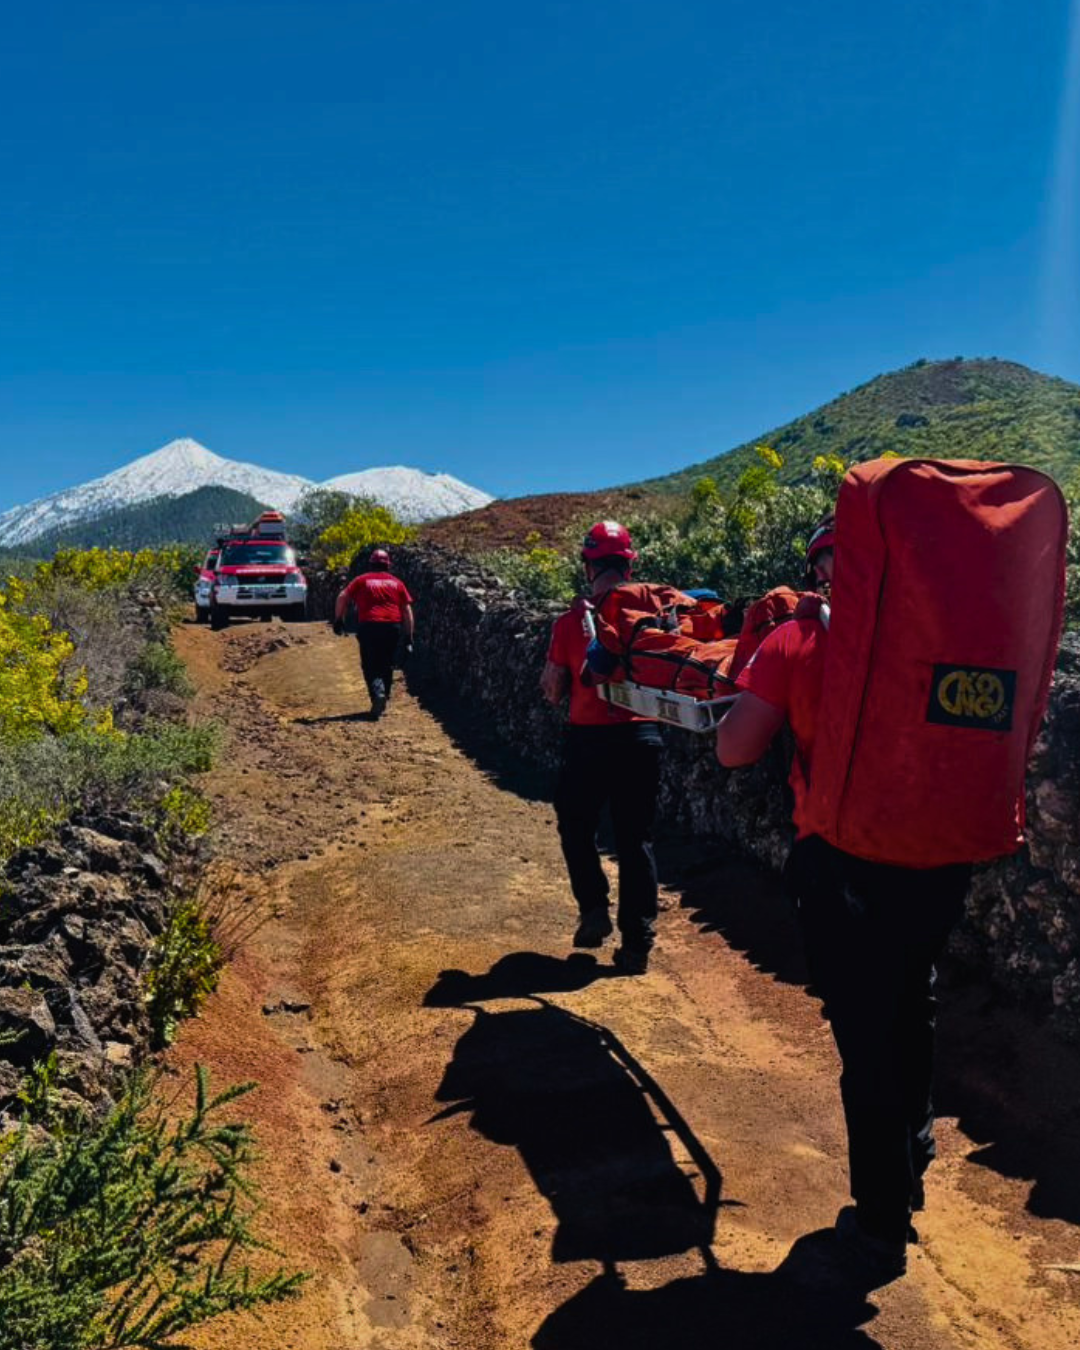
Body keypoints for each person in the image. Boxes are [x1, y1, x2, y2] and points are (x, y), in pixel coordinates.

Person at [714, 522, 970, 1287]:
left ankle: (880, 1226)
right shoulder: (947, 638)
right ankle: (915, 1147)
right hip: (938, 859)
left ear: (826, 570)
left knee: (866, 1043)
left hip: (844, 868)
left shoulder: (800, 639)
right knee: (914, 1001)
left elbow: (736, 749)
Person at [540, 521, 663, 975]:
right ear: (630, 563)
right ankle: (637, 944)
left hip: (588, 739)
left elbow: (553, 689)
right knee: (636, 839)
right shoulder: (654, 616)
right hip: (642, 737)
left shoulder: (572, 622)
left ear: (588, 565)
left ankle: (593, 908)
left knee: (575, 824)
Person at [334, 548, 415, 719]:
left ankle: (378, 695)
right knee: (386, 663)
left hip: (369, 626)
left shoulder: (361, 581)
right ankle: (384, 695)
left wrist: (339, 620)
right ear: (388, 565)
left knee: (370, 664)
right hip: (392, 627)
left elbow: (342, 597)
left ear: (371, 564)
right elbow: (407, 611)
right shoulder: (397, 583)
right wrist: (409, 636)